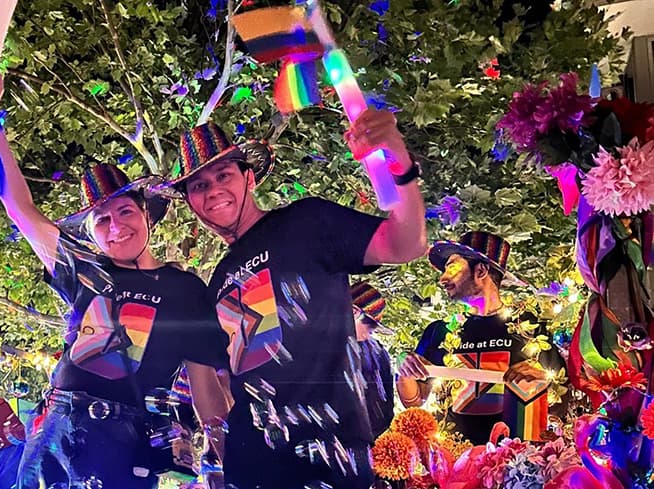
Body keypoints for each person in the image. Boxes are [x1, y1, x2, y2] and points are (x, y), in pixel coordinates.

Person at [0, 64, 228, 489]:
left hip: (124, 442)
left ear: (146, 215)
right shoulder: (82, 270)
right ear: (91, 232)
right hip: (55, 430)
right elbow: (17, 205)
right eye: (101, 219)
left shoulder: (186, 289)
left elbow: (204, 380)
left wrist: (222, 451)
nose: (116, 225)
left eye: (125, 211)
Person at [160, 111, 426, 489]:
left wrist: (399, 161)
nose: (214, 190)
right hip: (251, 469)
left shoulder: (307, 222)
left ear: (249, 177)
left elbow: (407, 243)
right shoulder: (217, 280)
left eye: (224, 175)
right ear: (190, 202)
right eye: (199, 186)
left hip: (332, 459)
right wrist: (220, 447)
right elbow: (219, 376)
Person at [396, 231, 562, 445]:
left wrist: (540, 379)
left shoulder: (529, 328)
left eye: (452, 266)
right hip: (454, 461)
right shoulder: (439, 331)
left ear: (481, 270)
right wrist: (404, 372)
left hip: (515, 462)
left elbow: (559, 393)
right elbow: (416, 401)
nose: (442, 278)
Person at [349, 281, 395, 439]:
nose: (369, 334)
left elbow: (385, 405)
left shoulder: (378, 352)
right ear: (354, 312)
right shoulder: (324, 346)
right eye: (370, 327)